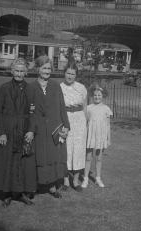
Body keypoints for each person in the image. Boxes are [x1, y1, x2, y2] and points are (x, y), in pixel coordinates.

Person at [0, 58, 37, 207]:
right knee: (7, 162)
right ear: (12, 71)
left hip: (24, 129)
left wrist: (31, 130)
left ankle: (21, 193)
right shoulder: (4, 88)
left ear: (26, 72)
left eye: (22, 71)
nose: (19, 73)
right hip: (8, 131)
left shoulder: (30, 89)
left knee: (22, 163)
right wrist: (1, 132)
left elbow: (33, 113)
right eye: (16, 70)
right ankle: (7, 194)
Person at [28, 55, 70, 198]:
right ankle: (34, 186)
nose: (47, 71)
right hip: (38, 129)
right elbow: (29, 110)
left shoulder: (55, 85)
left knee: (53, 157)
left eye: (48, 68)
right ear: (38, 69)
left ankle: (52, 187)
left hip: (54, 127)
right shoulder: (31, 87)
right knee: (39, 157)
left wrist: (66, 126)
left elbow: (62, 107)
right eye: (44, 68)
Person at [60, 62, 87, 192]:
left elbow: (85, 106)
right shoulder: (59, 87)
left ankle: (75, 181)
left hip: (79, 120)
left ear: (76, 75)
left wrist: (86, 122)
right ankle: (65, 180)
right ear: (64, 73)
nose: (70, 76)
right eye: (68, 73)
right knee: (66, 149)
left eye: (73, 74)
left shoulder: (81, 88)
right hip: (65, 120)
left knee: (78, 150)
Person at [81, 83, 113, 188]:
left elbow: (108, 125)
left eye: (99, 95)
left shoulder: (106, 109)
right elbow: (85, 124)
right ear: (92, 96)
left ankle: (98, 178)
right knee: (88, 157)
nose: (97, 97)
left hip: (101, 137)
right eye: (95, 95)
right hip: (90, 136)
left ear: (103, 96)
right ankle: (85, 178)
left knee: (99, 158)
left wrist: (108, 139)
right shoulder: (88, 108)